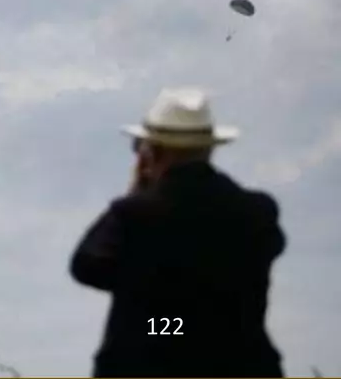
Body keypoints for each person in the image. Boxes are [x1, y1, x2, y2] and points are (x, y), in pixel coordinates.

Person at [70, 87, 286, 377]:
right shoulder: (258, 211)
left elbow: (87, 266)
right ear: (210, 148)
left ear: (151, 153)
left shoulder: (135, 216)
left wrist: (136, 193)